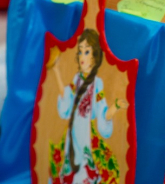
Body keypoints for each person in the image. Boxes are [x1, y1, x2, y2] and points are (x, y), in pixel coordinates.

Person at [49, 29, 129, 184]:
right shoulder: (77, 79)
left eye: (86, 52)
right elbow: (66, 100)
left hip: (85, 134)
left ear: (95, 56)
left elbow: (102, 112)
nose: (82, 57)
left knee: (84, 170)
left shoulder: (97, 84)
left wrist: (115, 107)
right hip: (72, 132)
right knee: (69, 168)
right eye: (80, 52)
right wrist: (56, 71)